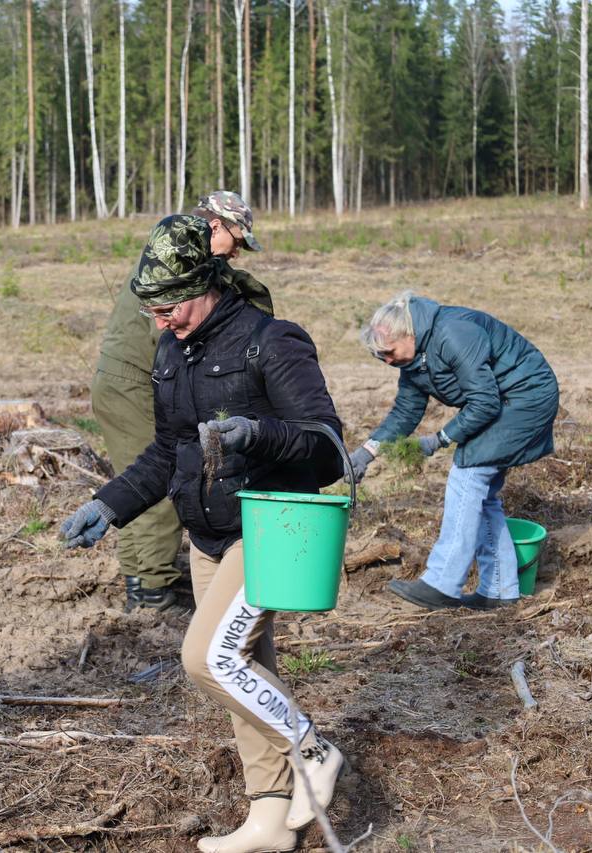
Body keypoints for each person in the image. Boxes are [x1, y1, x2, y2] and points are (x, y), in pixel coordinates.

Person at [63, 214, 346, 853]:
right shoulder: (172, 350)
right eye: (151, 310)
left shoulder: (272, 342)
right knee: (246, 669)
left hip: (269, 527)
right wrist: (109, 505)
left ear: (205, 283)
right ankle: (271, 818)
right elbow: (168, 452)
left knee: (210, 658)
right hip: (208, 534)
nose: (160, 320)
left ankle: (314, 749)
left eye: (169, 306)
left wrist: (258, 432)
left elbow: (328, 449)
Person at [90, 191, 271, 612]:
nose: (238, 252)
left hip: (122, 380)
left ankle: (141, 583)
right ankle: (154, 592)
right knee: (168, 475)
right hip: (135, 382)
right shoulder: (181, 268)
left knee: (144, 475)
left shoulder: (169, 254)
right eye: (237, 240)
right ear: (215, 227)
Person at [350, 291, 559, 611]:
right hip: (501, 402)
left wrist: (440, 439)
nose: (388, 361)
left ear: (408, 333)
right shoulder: (413, 359)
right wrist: (367, 452)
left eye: (389, 352)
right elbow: (404, 413)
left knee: (468, 475)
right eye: (382, 358)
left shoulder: (452, 333)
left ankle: (442, 584)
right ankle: (500, 590)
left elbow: (485, 401)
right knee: (481, 491)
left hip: (525, 398)